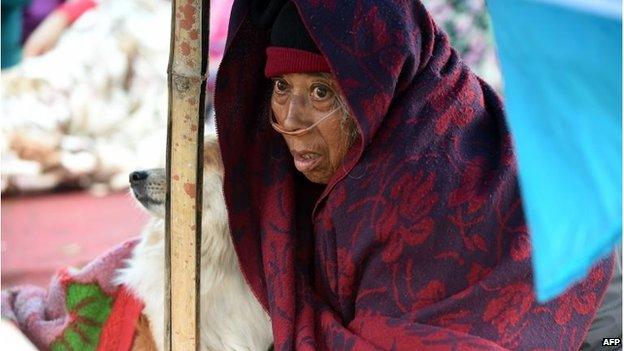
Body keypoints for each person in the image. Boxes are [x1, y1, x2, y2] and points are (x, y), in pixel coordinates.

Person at [213, 1, 615, 349]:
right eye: (281, 86)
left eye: (321, 92)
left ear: (378, 91)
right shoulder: (358, 156)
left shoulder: (417, 179)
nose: (291, 120)